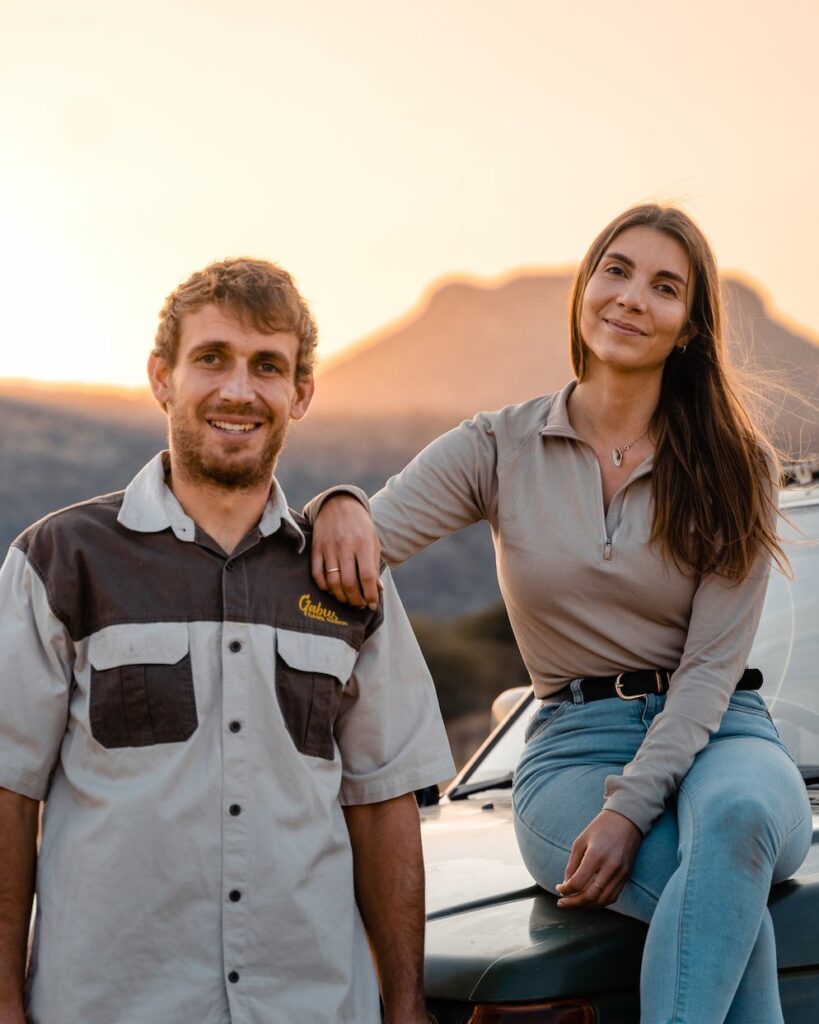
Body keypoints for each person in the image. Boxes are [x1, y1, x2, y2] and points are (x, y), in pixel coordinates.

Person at [304, 205, 813, 1023]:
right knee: (721, 909)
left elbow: (710, 672)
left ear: (689, 327)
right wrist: (336, 502)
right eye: (615, 271)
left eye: (664, 287)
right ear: (584, 288)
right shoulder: (497, 446)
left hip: (722, 733)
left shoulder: (734, 463)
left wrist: (629, 810)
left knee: (739, 822)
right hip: (573, 749)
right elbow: (364, 542)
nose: (630, 299)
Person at [0, 258, 454, 1024]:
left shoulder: (349, 583)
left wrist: (406, 1009)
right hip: (110, 1005)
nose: (239, 390)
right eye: (211, 358)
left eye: (267, 367)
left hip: (312, 1005)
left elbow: (382, 807)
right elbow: (8, 795)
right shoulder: (59, 562)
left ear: (300, 393)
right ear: (162, 377)